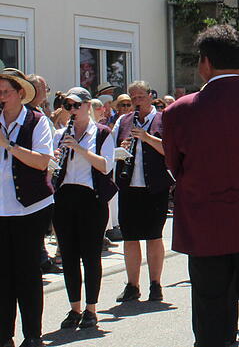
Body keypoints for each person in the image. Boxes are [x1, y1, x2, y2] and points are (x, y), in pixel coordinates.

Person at [162, 25, 239, 347]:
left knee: (211, 322)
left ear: (205, 62)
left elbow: (174, 166)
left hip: (205, 231)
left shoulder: (178, 111)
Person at [51, 87, 118, 331]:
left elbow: (105, 166)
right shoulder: (59, 133)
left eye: (76, 105)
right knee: (68, 255)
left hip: (91, 198)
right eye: (68, 106)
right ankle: (75, 307)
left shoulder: (101, 133)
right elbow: (53, 168)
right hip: (65, 197)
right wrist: (53, 160)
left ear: (88, 106)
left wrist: (79, 148)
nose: (72, 110)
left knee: (90, 256)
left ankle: (91, 308)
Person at [0, 69, 54, 347]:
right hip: (1, 207)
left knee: (27, 272)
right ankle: (4, 334)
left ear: (20, 94)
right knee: (2, 274)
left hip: (29, 208)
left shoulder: (36, 121)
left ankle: (33, 335)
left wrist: (8, 144)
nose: (0, 98)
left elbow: (42, 161)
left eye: (5, 92)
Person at [112, 81, 173, 304]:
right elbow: (112, 151)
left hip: (154, 186)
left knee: (154, 236)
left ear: (150, 95)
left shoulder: (163, 119)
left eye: (140, 97)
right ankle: (132, 284)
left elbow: (170, 151)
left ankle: (155, 284)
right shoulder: (123, 121)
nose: (136, 102)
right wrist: (122, 149)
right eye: (132, 98)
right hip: (129, 186)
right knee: (130, 237)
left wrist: (146, 137)